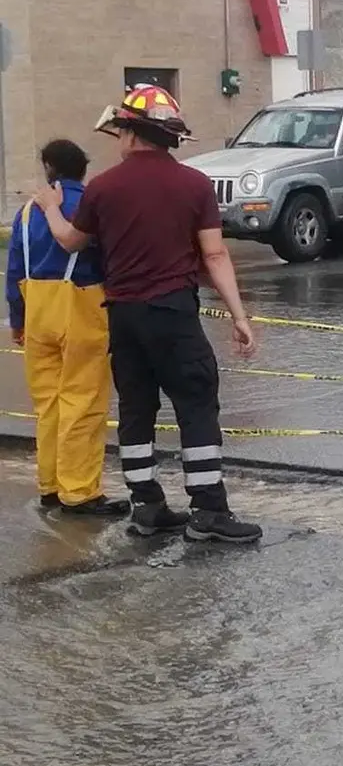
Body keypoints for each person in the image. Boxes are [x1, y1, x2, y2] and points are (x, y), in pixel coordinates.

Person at [34, 84, 262, 544]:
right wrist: (239, 316)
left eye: (120, 130)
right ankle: (208, 512)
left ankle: (147, 507)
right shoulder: (194, 184)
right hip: (173, 312)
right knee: (196, 403)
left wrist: (50, 208)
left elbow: (70, 242)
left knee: (137, 408)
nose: (117, 139)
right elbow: (215, 256)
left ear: (134, 134)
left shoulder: (103, 188)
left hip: (122, 315)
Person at [6, 140, 127, 517]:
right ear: (83, 168)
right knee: (84, 402)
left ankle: (50, 485)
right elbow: (113, 261)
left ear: (48, 167)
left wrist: (18, 320)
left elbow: (14, 273)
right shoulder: (91, 205)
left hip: (37, 313)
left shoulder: (27, 213)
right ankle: (80, 492)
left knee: (49, 404)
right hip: (82, 309)